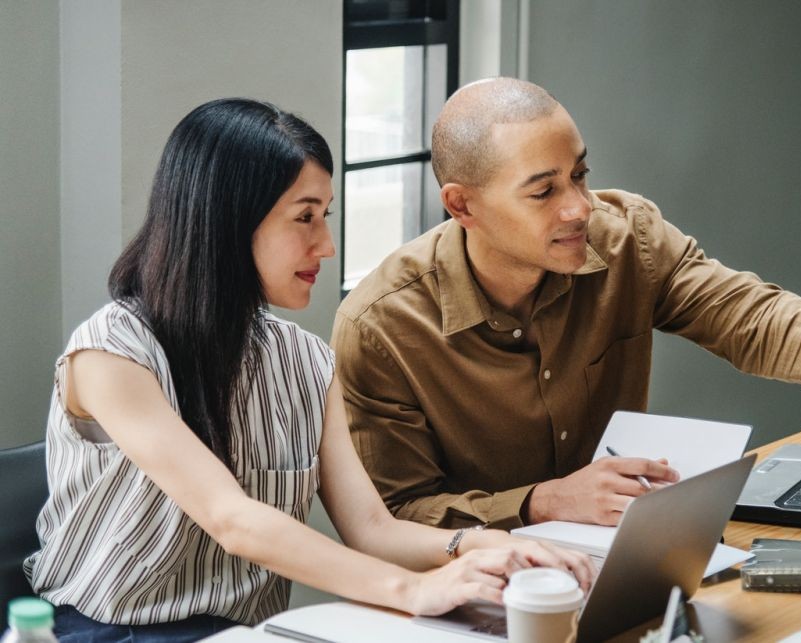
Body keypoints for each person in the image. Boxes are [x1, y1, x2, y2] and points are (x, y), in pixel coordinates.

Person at [24, 98, 593, 641]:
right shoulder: (110, 352)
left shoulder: (305, 359)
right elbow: (232, 519)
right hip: (106, 633)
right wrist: (414, 591)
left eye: (326, 215)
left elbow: (373, 529)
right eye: (305, 218)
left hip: (246, 634)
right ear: (226, 222)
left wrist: (481, 547)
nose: (326, 245)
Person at [331, 77, 801, 530]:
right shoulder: (382, 326)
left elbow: (761, 319)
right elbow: (394, 515)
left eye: (581, 174)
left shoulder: (626, 239)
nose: (579, 207)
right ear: (462, 205)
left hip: (627, 559)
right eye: (543, 192)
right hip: (473, 598)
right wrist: (539, 503)